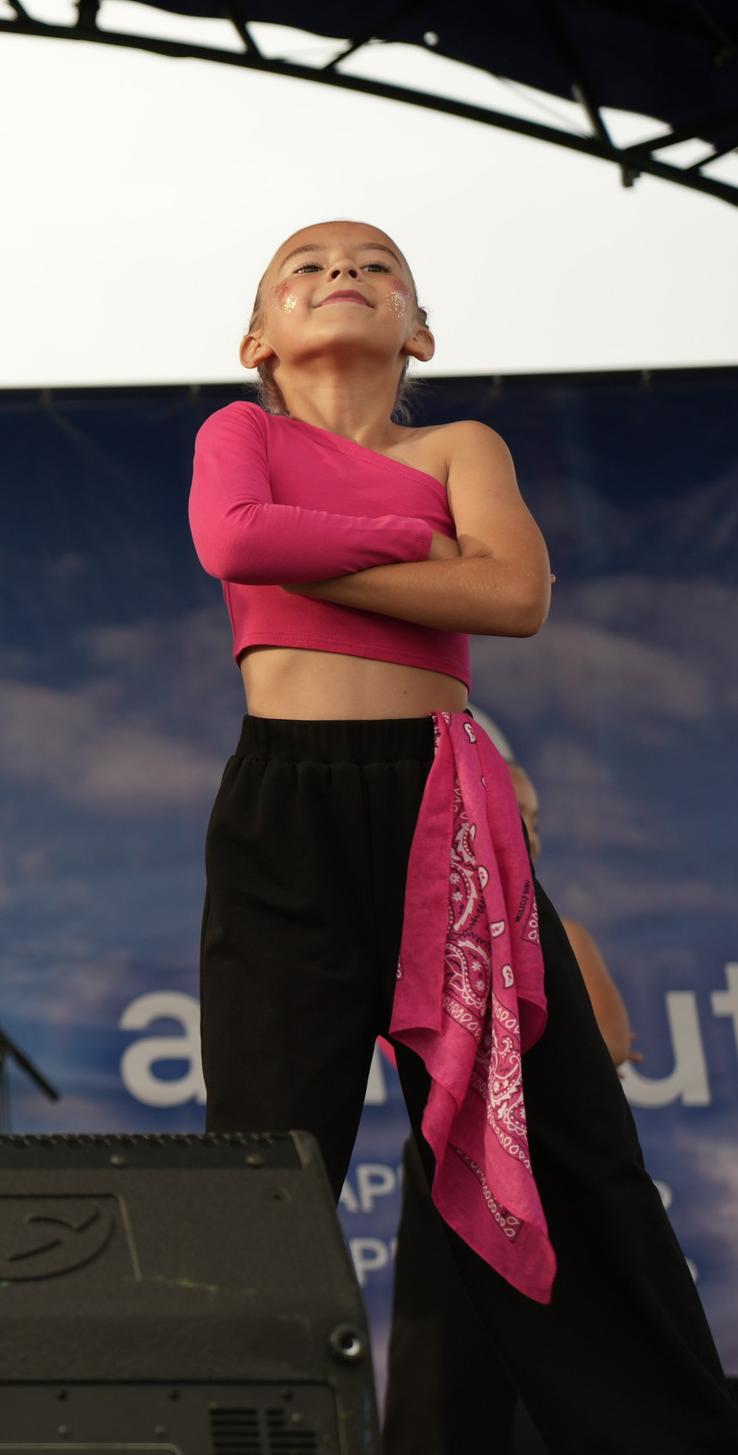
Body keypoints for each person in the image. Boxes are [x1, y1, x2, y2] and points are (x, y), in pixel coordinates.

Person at [187, 222, 738, 1452]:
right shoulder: (240, 436)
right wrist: (415, 544)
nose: (342, 273)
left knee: (559, 1149)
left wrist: (331, 551)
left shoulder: (458, 445)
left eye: (376, 266)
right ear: (256, 343)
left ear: (419, 331)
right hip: (286, 810)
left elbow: (511, 596)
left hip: (443, 810)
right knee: (263, 1157)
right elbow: (235, 539)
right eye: (306, 265)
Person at [384, 754, 639, 1455]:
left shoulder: (563, 933)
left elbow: (609, 1042)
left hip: (546, 1153)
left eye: (534, 821)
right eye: (511, 814)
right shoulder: (424, 927)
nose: (526, 833)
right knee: (444, 1359)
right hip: (453, 1156)